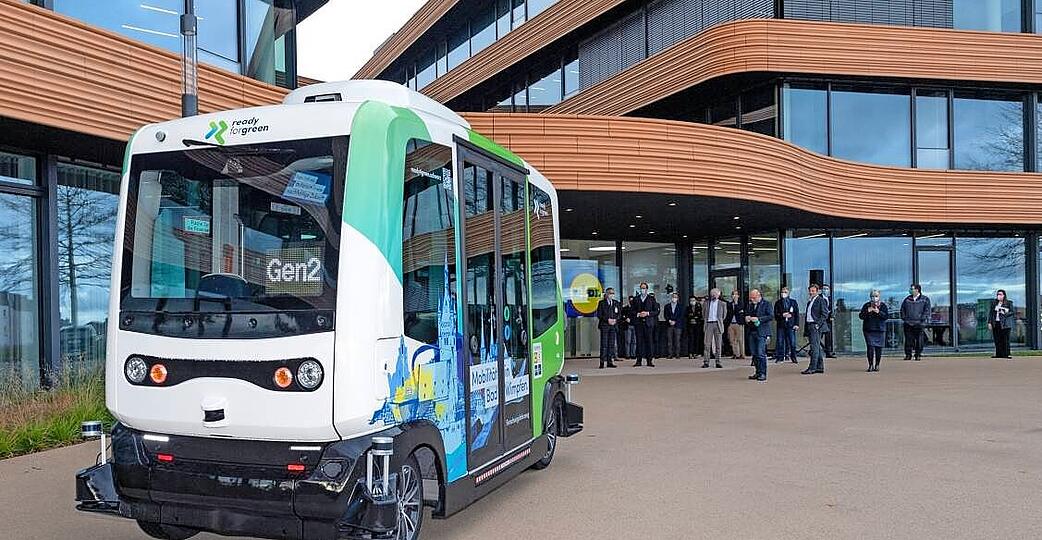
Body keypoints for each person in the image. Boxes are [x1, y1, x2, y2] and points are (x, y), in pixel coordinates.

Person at [745, 289, 773, 381]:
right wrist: (747, 318)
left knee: (761, 353)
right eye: (751, 298)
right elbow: (746, 314)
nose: (752, 300)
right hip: (752, 331)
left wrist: (758, 319)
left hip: (762, 332)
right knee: (754, 353)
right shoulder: (750, 305)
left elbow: (770, 316)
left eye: (753, 298)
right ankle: (757, 372)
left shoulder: (767, 304)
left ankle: (762, 373)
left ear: (759, 295)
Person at [801, 284, 830, 375]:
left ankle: (812, 367)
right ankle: (820, 367)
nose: (811, 292)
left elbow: (825, 314)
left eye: (813, 291)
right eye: (810, 291)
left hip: (816, 326)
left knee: (814, 347)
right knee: (816, 347)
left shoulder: (820, 300)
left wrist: (818, 324)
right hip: (810, 325)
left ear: (817, 291)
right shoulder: (810, 301)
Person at [858, 290, 889, 372]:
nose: (874, 298)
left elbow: (886, 316)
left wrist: (878, 312)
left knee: (878, 348)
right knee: (870, 347)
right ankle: (870, 365)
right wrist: (868, 311)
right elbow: (861, 316)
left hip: (880, 330)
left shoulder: (883, 306)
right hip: (869, 330)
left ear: (879, 297)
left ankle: (877, 365)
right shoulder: (866, 305)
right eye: (872, 296)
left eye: (876, 296)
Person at [630, 283, 659, 367]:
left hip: (648, 323)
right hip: (638, 324)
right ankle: (638, 360)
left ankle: (649, 361)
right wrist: (638, 314)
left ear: (647, 289)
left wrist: (647, 313)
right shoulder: (635, 299)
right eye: (641, 288)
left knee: (649, 342)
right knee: (639, 342)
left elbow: (656, 311)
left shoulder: (651, 299)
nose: (643, 290)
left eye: (644, 288)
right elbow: (632, 311)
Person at [900, 284, 931, 361]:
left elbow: (927, 311)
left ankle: (918, 355)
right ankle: (908, 355)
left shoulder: (925, 299)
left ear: (917, 290)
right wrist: (904, 318)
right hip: (908, 323)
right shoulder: (907, 299)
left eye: (912, 289)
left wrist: (922, 320)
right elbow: (902, 309)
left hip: (919, 323)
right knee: (908, 340)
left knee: (919, 340)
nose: (910, 290)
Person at [595, 288, 621, 368]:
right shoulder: (601, 303)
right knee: (604, 344)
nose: (611, 295)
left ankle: (610, 362)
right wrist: (607, 320)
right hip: (605, 326)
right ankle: (602, 362)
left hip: (613, 326)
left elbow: (619, 313)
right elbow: (599, 314)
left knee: (611, 345)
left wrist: (615, 320)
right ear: (606, 294)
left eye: (613, 293)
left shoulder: (616, 303)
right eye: (610, 293)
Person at [773, 286, 800, 364]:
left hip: (791, 325)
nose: (783, 294)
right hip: (781, 325)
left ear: (788, 293)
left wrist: (796, 324)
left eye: (785, 292)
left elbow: (796, 314)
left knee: (792, 342)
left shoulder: (793, 302)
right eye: (782, 292)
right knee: (780, 341)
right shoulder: (778, 303)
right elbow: (776, 314)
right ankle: (780, 357)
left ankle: (793, 357)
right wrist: (782, 315)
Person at [702, 289, 726, 368]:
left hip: (717, 324)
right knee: (707, 344)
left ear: (719, 294)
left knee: (718, 344)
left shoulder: (722, 303)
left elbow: (724, 315)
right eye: (712, 294)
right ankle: (706, 361)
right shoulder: (706, 303)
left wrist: (719, 321)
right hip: (708, 324)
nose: (713, 295)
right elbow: (703, 314)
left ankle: (718, 361)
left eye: (715, 294)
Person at [989, 289, 1015, 359]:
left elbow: (1012, 312)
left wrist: (1005, 313)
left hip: (1005, 324)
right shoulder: (994, 303)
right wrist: (989, 322)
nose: (999, 296)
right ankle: (998, 354)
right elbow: (991, 313)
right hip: (996, 323)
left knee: (1005, 339)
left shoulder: (1009, 303)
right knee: (997, 339)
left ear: (1004, 295)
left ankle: (1006, 354)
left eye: (1000, 294)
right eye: (998, 294)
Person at [725, 290, 746, 360]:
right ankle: (735, 353)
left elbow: (739, 311)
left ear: (738, 296)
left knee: (740, 339)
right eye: (733, 294)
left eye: (736, 294)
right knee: (732, 340)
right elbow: (729, 313)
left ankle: (742, 354)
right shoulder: (729, 304)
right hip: (731, 324)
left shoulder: (741, 303)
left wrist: (736, 304)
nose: (734, 296)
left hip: (739, 323)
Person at [663, 292, 683, 359]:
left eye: (675, 297)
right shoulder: (667, 306)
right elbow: (665, 315)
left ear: (677, 298)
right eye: (673, 297)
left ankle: (677, 354)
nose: (674, 298)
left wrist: (675, 321)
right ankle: (670, 354)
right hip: (669, 325)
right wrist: (669, 320)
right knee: (669, 341)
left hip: (678, 325)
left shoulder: (680, 306)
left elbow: (681, 316)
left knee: (677, 340)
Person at [684, 295, 704, 360]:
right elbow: (686, 316)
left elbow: (700, 315)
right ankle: (690, 353)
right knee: (691, 339)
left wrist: (695, 319)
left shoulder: (699, 307)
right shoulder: (687, 308)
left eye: (693, 300)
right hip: (690, 326)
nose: (692, 302)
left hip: (697, 326)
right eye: (691, 300)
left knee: (696, 339)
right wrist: (691, 319)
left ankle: (696, 353)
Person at [821, 285, 836, 358]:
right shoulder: (819, 298)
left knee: (828, 337)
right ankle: (814, 351)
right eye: (824, 289)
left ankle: (828, 352)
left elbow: (833, 308)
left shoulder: (831, 299)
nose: (825, 290)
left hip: (828, 320)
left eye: (827, 289)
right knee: (818, 336)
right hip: (821, 320)